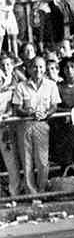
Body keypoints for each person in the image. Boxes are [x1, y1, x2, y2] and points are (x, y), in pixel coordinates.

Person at [12, 55, 61, 194]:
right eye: (34, 67)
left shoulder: (51, 85)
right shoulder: (21, 86)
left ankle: (42, 189)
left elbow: (54, 106)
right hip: (25, 126)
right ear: (29, 69)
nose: (37, 70)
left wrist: (47, 113)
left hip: (42, 125)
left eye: (40, 67)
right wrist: (28, 113)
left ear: (44, 69)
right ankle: (31, 193)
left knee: (42, 161)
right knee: (27, 161)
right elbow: (17, 109)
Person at [0, 53, 22, 197]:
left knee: (12, 160)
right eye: (2, 65)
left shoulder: (17, 81)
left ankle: (16, 191)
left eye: (8, 64)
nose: (5, 67)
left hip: (9, 125)